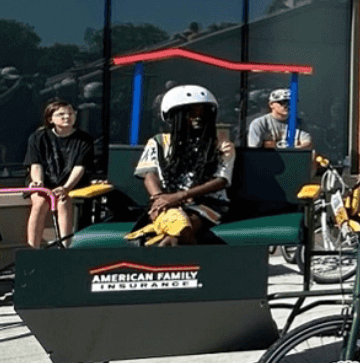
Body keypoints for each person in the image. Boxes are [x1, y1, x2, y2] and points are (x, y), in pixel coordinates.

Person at [126, 85, 235, 246]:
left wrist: (178, 197)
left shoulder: (221, 145)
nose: (197, 117)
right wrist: (158, 198)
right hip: (166, 201)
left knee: (179, 230)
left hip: (206, 204)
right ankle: (194, 268)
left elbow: (221, 180)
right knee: (174, 230)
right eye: (190, 112)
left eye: (202, 112)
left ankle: (166, 269)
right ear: (173, 117)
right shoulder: (158, 141)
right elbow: (149, 173)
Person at [24, 100, 95, 248]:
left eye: (70, 113)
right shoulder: (37, 137)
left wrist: (66, 187)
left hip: (71, 181)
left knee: (63, 201)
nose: (67, 117)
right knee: (40, 203)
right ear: (51, 119)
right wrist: (38, 182)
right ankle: (32, 249)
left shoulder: (85, 139)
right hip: (44, 179)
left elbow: (79, 167)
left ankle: (65, 246)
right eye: (61, 114)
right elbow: (35, 164)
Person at [246, 88, 312, 149]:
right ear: (271, 105)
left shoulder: (300, 123)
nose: (287, 106)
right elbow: (254, 149)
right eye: (283, 102)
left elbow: (307, 144)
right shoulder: (259, 123)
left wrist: (269, 144)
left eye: (291, 103)